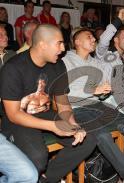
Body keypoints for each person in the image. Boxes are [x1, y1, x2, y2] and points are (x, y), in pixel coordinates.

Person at [0, 24, 96, 183]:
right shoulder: (13, 68)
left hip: (45, 114)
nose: (63, 48)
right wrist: (53, 127)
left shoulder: (58, 65)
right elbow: (13, 114)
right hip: (19, 121)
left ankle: (46, 179)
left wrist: (73, 124)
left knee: (88, 140)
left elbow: (63, 103)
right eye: (59, 43)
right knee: (38, 159)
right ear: (42, 44)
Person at [63, 9, 124, 183]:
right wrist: (118, 20)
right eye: (89, 37)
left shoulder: (98, 62)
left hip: (101, 105)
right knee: (102, 135)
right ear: (77, 41)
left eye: (94, 37)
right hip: (79, 108)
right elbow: (65, 90)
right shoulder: (66, 60)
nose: (93, 39)